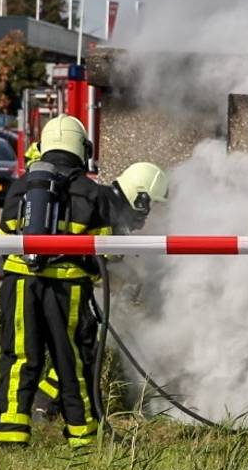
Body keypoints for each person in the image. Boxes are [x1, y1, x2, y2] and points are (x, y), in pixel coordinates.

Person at [0, 115, 114, 448]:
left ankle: (10, 433)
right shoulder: (92, 192)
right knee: (71, 361)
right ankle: (82, 435)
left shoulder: (20, 187)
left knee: (18, 357)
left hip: (20, 283)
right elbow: (104, 254)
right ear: (81, 148)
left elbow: (4, 241)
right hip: (67, 288)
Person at [29, 160, 170, 422]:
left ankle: (51, 404)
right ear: (139, 197)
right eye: (148, 203)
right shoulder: (103, 206)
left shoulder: (109, 206)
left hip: (76, 288)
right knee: (77, 351)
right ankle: (47, 404)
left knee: (83, 351)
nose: (147, 213)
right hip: (67, 288)